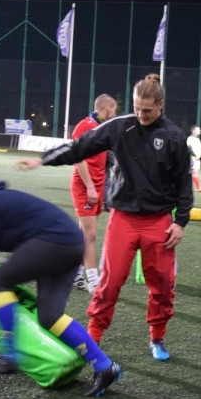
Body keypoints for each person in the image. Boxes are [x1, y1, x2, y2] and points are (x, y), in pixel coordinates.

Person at [16, 74, 192, 362]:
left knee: (161, 285)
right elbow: (79, 147)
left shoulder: (173, 136)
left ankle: (157, 338)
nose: (141, 114)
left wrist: (180, 221)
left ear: (161, 104)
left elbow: (183, 182)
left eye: (147, 110)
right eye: (136, 108)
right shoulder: (119, 127)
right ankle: (92, 339)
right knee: (108, 284)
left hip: (160, 222)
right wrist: (42, 159)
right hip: (123, 219)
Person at [0, 173, 122, 396]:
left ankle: (10, 355)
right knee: (50, 316)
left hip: (54, 244)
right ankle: (105, 366)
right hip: (71, 246)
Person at [69, 94, 119, 293]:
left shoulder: (101, 128)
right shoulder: (85, 125)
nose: (114, 113)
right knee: (90, 235)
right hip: (85, 186)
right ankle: (93, 280)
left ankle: (76, 274)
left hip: (97, 185)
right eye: (113, 110)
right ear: (107, 109)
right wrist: (90, 186)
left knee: (83, 234)